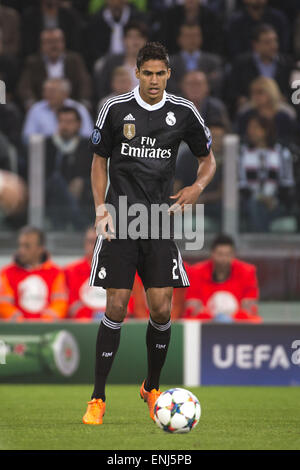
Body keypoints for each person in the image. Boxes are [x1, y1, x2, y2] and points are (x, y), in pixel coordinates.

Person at [82, 41, 216, 425]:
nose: (154, 80)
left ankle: (151, 386)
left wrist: (196, 188)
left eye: (161, 73)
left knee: (160, 309)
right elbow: (98, 162)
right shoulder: (115, 108)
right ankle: (97, 398)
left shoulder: (184, 112)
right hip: (122, 220)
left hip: (159, 222)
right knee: (116, 307)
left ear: (168, 74)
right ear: (137, 73)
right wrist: (100, 209)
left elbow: (208, 159)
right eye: (148, 73)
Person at [184, 234, 261, 322]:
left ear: (233, 255)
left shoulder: (247, 272)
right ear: (212, 254)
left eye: (228, 254)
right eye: (220, 254)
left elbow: (250, 310)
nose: (224, 259)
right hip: (205, 326)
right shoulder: (196, 272)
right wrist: (214, 319)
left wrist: (231, 319)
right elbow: (192, 309)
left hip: (238, 327)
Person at [239, 115, 295, 232]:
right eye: (249, 128)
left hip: (276, 202)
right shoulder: (243, 153)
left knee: (262, 210)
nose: (250, 131)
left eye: (255, 128)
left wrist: (273, 200)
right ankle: (261, 239)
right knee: (255, 205)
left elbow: (287, 183)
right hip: (250, 201)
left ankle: (257, 242)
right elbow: (241, 184)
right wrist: (260, 197)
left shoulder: (281, 153)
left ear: (266, 131)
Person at [0, 226, 68, 321]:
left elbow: (60, 304)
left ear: (40, 249)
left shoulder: (55, 272)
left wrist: (43, 323)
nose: (21, 250)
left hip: (46, 330)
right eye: (20, 245)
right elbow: (3, 305)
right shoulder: (7, 272)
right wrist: (21, 322)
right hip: (16, 331)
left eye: (27, 246)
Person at [18, 28, 91, 111]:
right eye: (49, 42)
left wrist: (84, 100)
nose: (54, 46)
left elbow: (85, 82)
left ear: (63, 43)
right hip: (43, 107)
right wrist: (30, 102)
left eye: (57, 41)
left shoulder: (74, 60)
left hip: (71, 107)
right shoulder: (33, 62)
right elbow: (25, 86)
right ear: (42, 45)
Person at [44, 106, 92, 230]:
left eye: (69, 122)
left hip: (81, 197)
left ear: (78, 124)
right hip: (50, 197)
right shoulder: (47, 144)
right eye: (61, 121)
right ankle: (80, 223)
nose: (64, 126)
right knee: (56, 180)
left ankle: (66, 223)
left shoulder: (88, 147)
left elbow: (95, 175)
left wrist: (82, 181)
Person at [227, 24, 292, 112]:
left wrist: (287, 98)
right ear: (255, 45)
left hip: (280, 108)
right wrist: (241, 99)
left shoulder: (287, 64)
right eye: (267, 42)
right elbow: (232, 91)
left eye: (275, 41)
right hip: (252, 107)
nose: (273, 46)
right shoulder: (241, 64)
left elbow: (294, 91)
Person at [22, 78, 93, 144]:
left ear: (65, 94)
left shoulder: (79, 109)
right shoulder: (36, 109)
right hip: (45, 151)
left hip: (76, 151)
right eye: (45, 91)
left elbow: (88, 136)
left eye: (52, 91)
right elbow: (26, 138)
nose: (48, 94)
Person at [93, 21, 147, 102]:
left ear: (145, 41)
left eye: (139, 36)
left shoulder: (154, 65)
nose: (135, 41)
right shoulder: (111, 63)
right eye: (131, 37)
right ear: (124, 40)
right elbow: (102, 90)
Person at [235, 76, 297, 145]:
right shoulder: (246, 115)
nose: (255, 96)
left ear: (271, 92)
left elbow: (291, 139)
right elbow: (241, 138)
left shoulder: (284, 116)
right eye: (253, 93)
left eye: (260, 92)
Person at [167, 23, 223, 97]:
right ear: (179, 39)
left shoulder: (213, 61)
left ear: (201, 38)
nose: (192, 39)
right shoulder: (169, 63)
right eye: (188, 36)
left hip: (207, 102)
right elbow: (169, 84)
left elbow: (216, 83)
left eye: (195, 35)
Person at [64, 226, 107, 319]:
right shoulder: (71, 271)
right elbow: (72, 307)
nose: (93, 246)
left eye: (97, 242)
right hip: (82, 325)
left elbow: (128, 306)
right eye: (90, 241)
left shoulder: (119, 270)